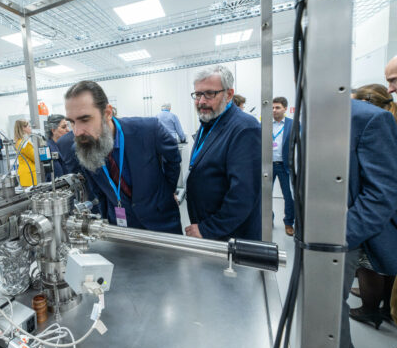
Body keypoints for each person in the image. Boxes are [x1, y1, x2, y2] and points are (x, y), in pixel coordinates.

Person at [64, 80, 182, 234]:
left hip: (161, 221)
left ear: (107, 113)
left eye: (85, 119)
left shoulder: (148, 130)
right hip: (121, 227)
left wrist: (167, 192)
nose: (77, 132)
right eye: (71, 122)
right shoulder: (82, 147)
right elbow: (98, 191)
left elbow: (173, 158)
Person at [340, 99, 397, 348]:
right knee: (326, 310)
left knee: (328, 310)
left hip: (345, 237)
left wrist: (340, 237)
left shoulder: (371, 119)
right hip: (319, 234)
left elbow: (381, 193)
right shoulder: (309, 118)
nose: (391, 89)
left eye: (394, 80)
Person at [184, 65, 261, 241]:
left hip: (230, 235)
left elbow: (243, 195)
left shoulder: (244, 128)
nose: (201, 101)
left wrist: (208, 229)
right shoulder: (209, 121)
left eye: (209, 94)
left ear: (229, 94)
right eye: (198, 94)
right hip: (212, 227)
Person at [349, 84, 397, 328]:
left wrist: (345, 234)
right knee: (381, 266)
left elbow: (380, 191)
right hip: (381, 217)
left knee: (370, 266)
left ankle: (370, 310)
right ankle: (384, 308)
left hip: (373, 217)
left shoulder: (377, 123)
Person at [272, 97, 295, 236]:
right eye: (272, 108)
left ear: (285, 109)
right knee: (264, 195)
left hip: (285, 166)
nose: (274, 110)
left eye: (277, 107)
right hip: (268, 165)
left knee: (288, 196)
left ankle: (288, 223)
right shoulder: (265, 124)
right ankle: (268, 219)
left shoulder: (293, 124)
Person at [45, 114, 70, 180]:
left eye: (67, 126)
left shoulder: (62, 146)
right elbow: (58, 176)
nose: (68, 130)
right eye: (63, 127)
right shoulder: (49, 149)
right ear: (53, 130)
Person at [13, 119, 37, 187]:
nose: (30, 128)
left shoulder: (18, 142)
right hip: (30, 176)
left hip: (24, 176)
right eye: (29, 126)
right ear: (23, 128)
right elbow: (36, 158)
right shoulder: (25, 144)